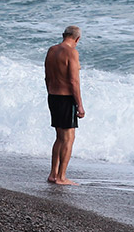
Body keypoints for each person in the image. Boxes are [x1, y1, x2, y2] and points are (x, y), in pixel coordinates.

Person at [44, 25, 85, 184]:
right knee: (68, 139)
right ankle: (61, 177)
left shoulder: (52, 50)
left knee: (59, 138)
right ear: (77, 39)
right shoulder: (72, 52)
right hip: (66, 98)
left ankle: (53, 174)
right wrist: (79, 105)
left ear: (63, 35)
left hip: (53, 96)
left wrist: (50, 93)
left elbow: (47, 76)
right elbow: (74, 81)